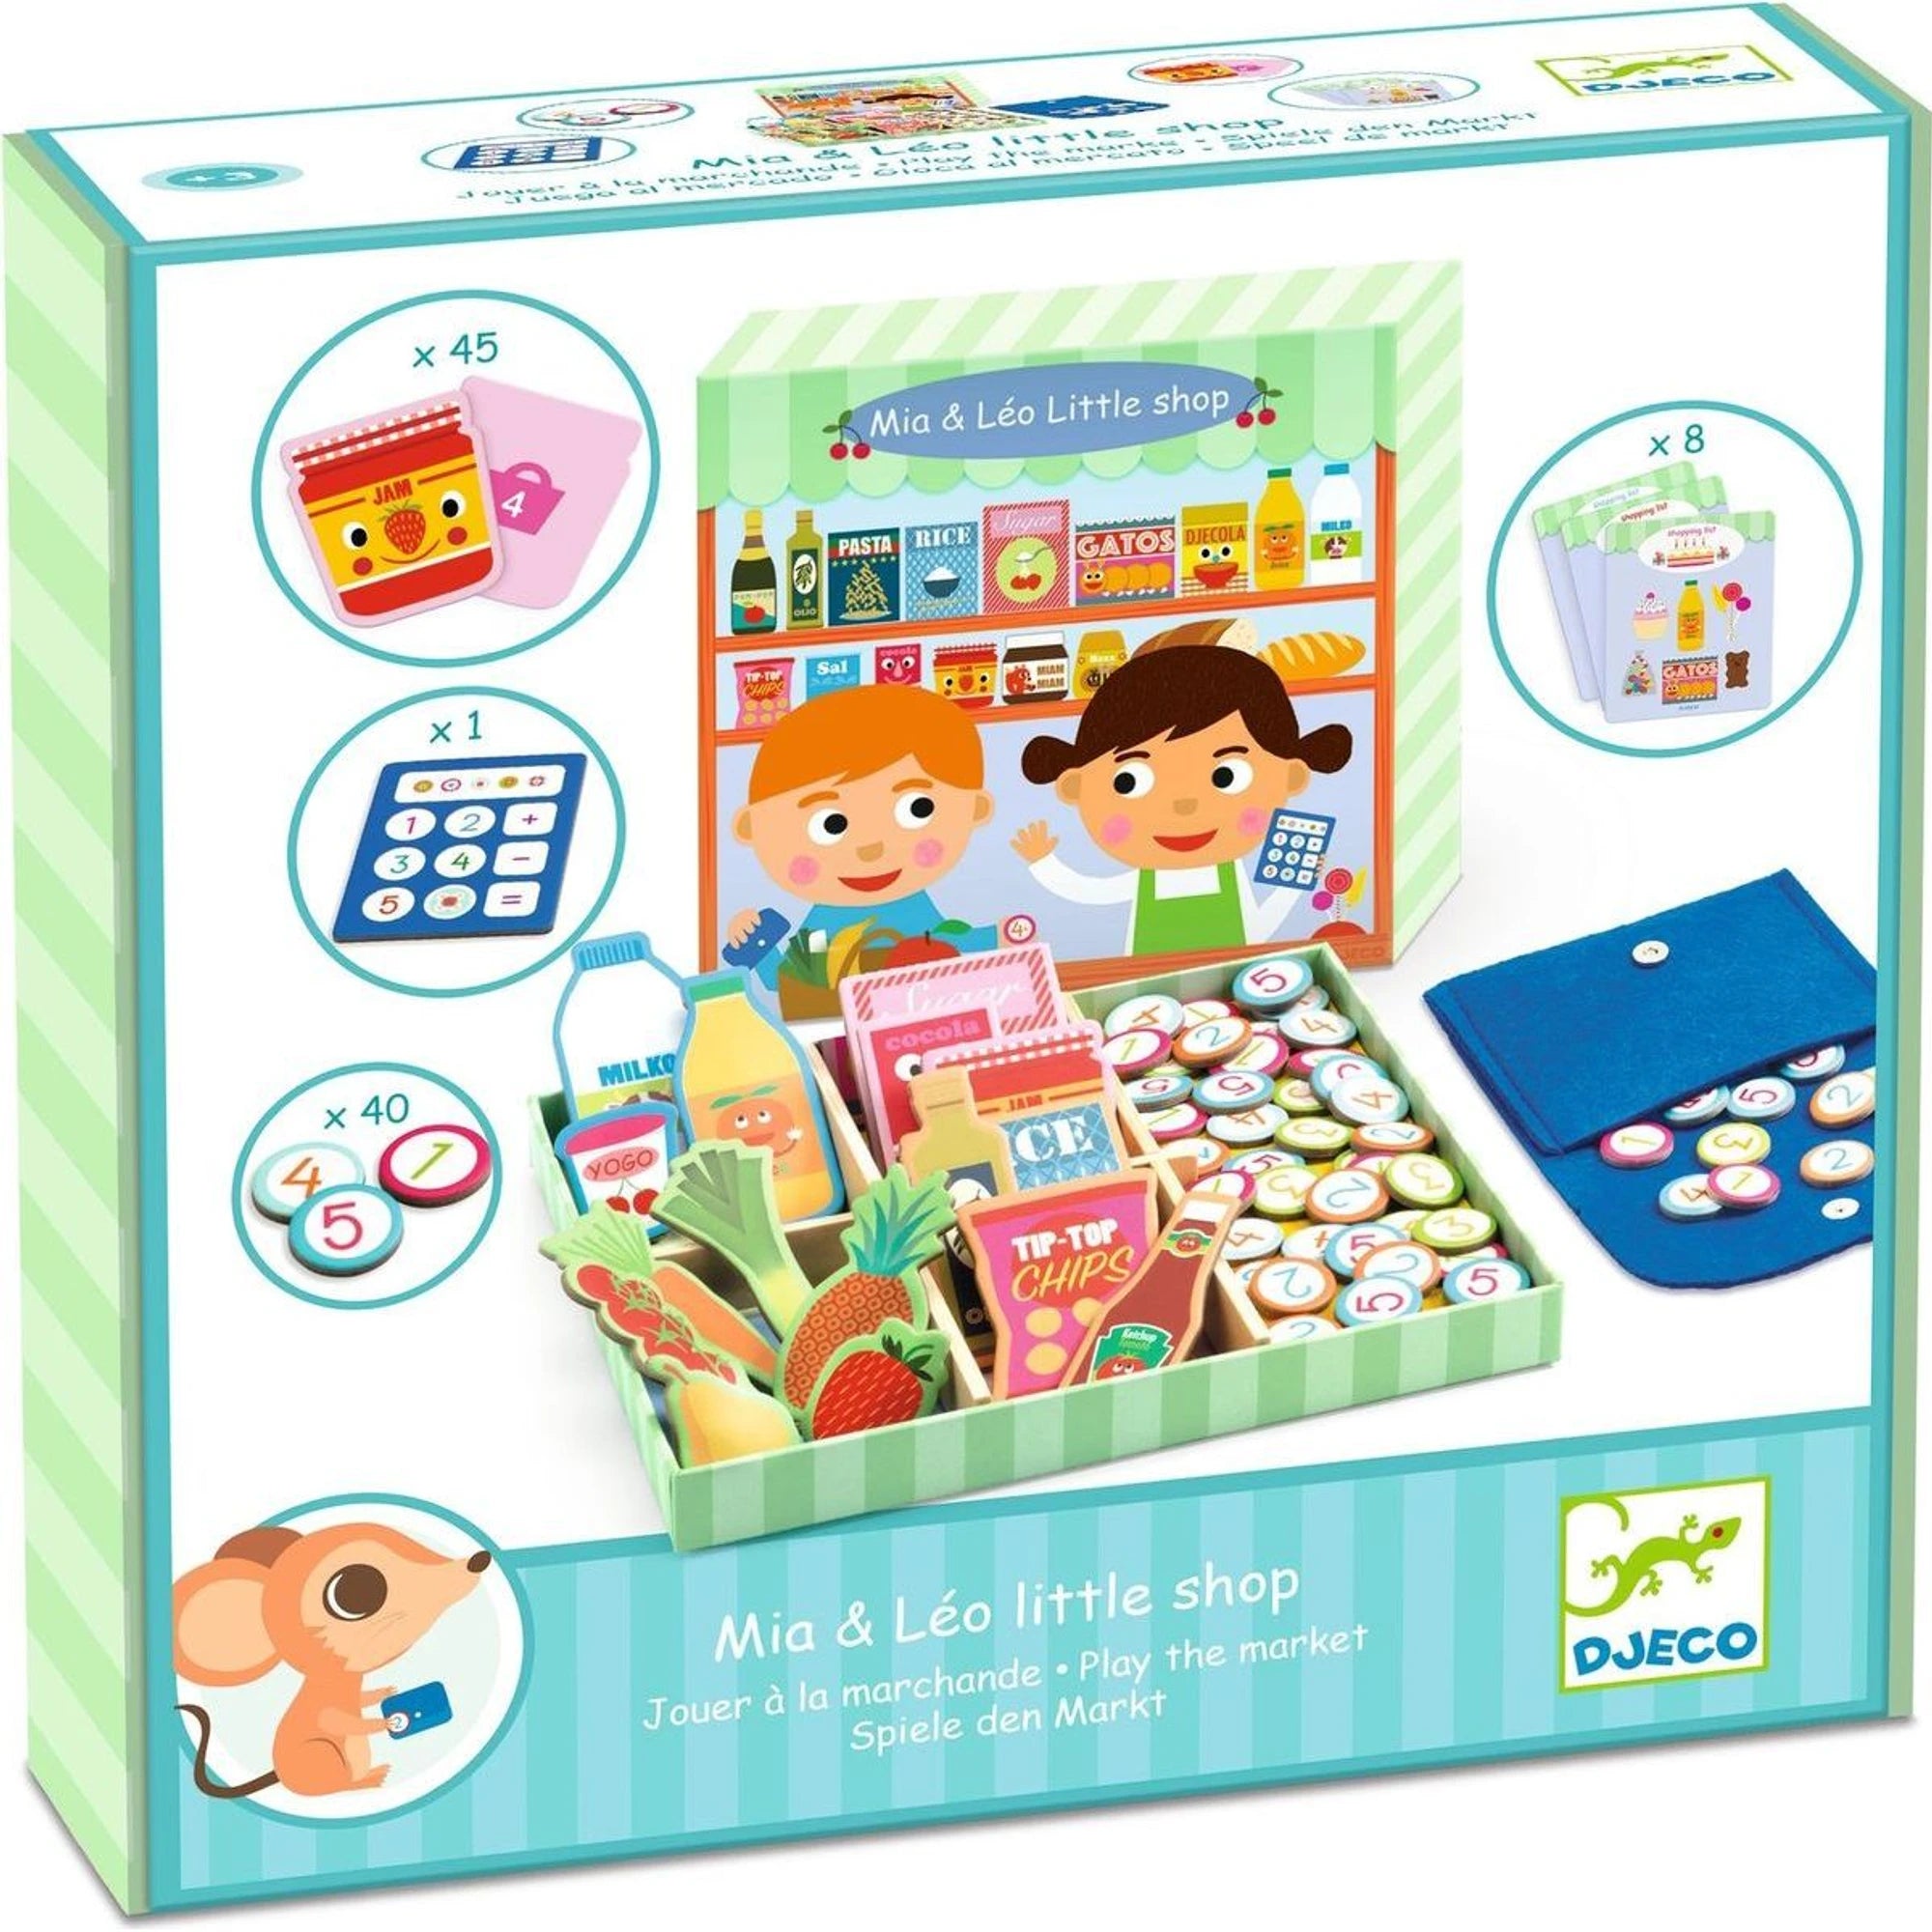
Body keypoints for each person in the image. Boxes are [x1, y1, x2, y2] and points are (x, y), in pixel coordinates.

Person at [1011, 622, 1352, 956]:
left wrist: (1294, 881)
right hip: (1147, 978)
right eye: (1129, 782)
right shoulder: (1147, 879)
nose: (1184, 805)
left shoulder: (1230, 876)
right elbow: (1090, 891)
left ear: (1292, 775)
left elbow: (1259, 931)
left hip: (1235, 970)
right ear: (1075, 786)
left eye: (1226, 777)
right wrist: (1044, 863)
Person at [729, 683, 999, 1017]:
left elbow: (954, 943)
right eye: (830, 825)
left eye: (917, 809)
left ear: (977, 808)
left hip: (924, 1016)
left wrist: (1006, 934)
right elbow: (782, 980)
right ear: (751, 828)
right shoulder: (822, 925)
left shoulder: (914, 907)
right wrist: (753, 942)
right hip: (840, 1024)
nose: (871, 849)